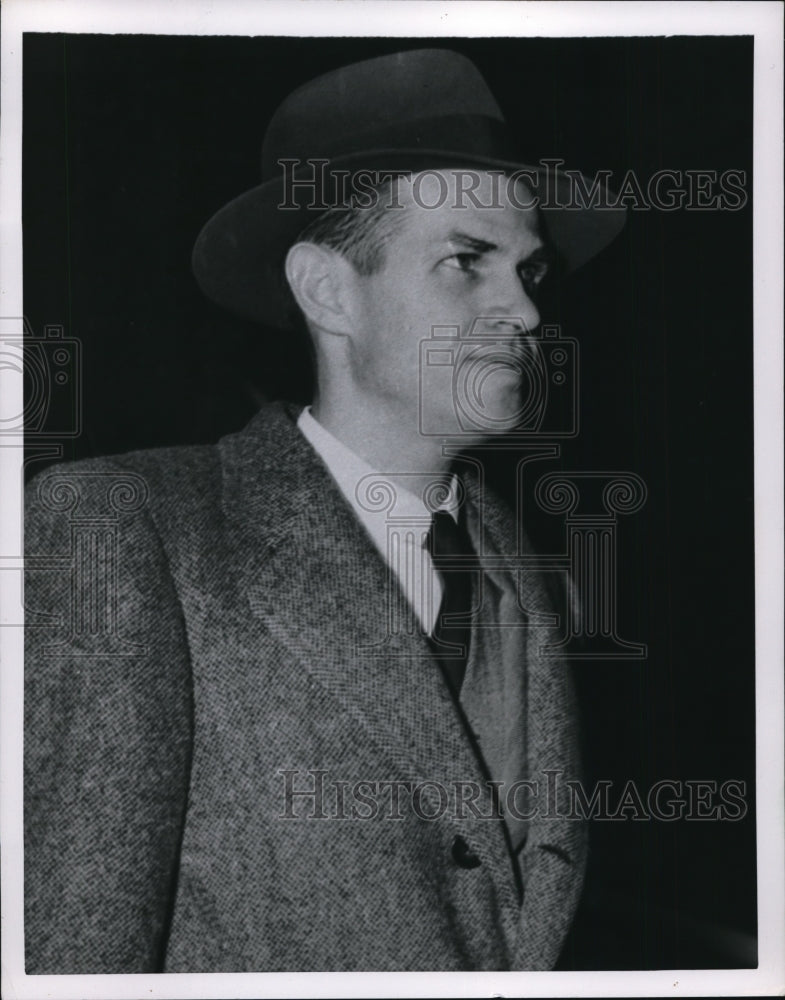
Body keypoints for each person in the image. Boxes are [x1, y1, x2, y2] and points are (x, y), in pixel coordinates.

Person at [24, 49, 625, 972]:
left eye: (530, 271)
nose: (526, 313)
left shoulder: (524, 572)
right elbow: (74, 948)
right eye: (466, 261)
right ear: (327, 291)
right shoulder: (129, 527)